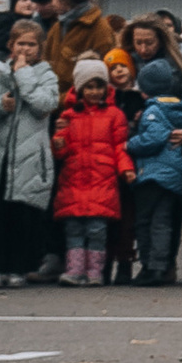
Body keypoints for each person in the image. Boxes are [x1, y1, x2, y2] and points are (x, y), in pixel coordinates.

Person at [0, 22, 59, 284]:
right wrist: (0, 105)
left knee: (23, 216)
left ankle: (19, 268)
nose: (25, 49)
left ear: (40, 48)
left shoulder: (46, 75)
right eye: (21, 44)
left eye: (31, 44)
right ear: (11, 45)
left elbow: (45, 105)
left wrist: (24, 74)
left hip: (30, 158)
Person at [50, 57, 132, 288]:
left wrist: (126, 168)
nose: (94, 92)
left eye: (99, 87)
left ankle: (95, 271)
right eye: (89, 87)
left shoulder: (114, 115)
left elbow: (120, 146)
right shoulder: (68, 116)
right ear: (80, 88)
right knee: (74, 228)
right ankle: (75, 270)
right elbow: (61, 151)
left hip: (102, 180)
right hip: (74, 179)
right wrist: (58, 143)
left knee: (97, 229)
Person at [124, 34, 182, 287]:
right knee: (163, 221)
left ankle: (150, 267)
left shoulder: (153, 110)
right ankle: (162, 265)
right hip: (172, 174)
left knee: (146, 221)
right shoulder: (177, 108)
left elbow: (154, 138)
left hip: (153, 174)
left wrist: (130, 143)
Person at [40, 0, 120, 96]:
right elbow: (46, 61)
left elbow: (104, 72)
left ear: (64, 0)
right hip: (53, 98)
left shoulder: (99, 28)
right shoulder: (58, 27)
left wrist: (69, 98)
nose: (52, 3)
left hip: (81, 102)